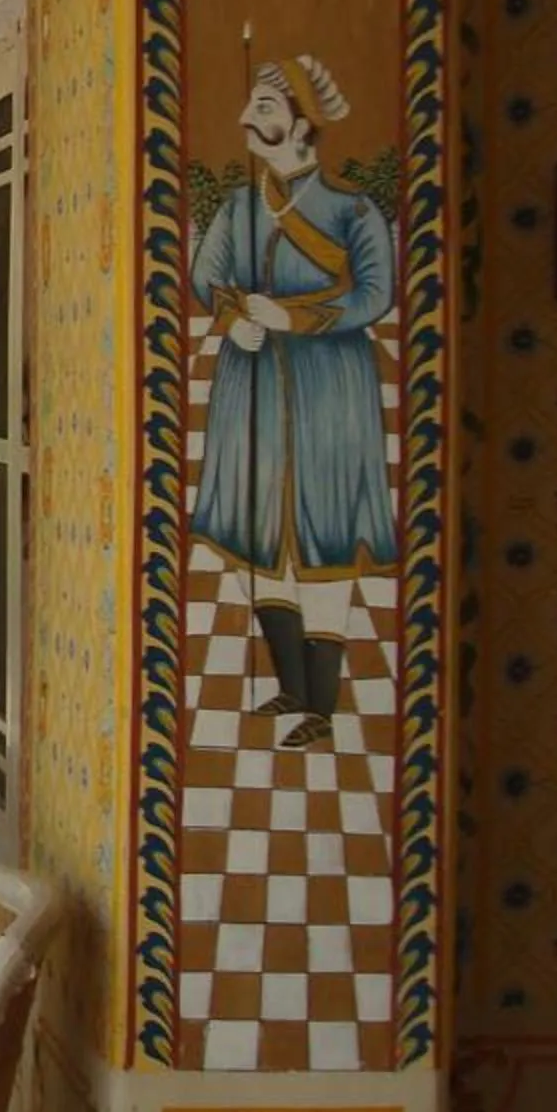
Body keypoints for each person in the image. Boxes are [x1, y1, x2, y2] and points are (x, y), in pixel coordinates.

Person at [190, 55, 397, 750]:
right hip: (250, 382)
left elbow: (376, 294)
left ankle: (324, 707)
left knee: (325, 535)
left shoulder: (352, 210)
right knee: (258, 537)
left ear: (303, 125)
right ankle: (291, 687)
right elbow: (205, 275)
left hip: (330, 389)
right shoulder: (238, 207)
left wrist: (295, 318)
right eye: (250, 105)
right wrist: (231, 320)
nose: (246, 119)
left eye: (266, 108)